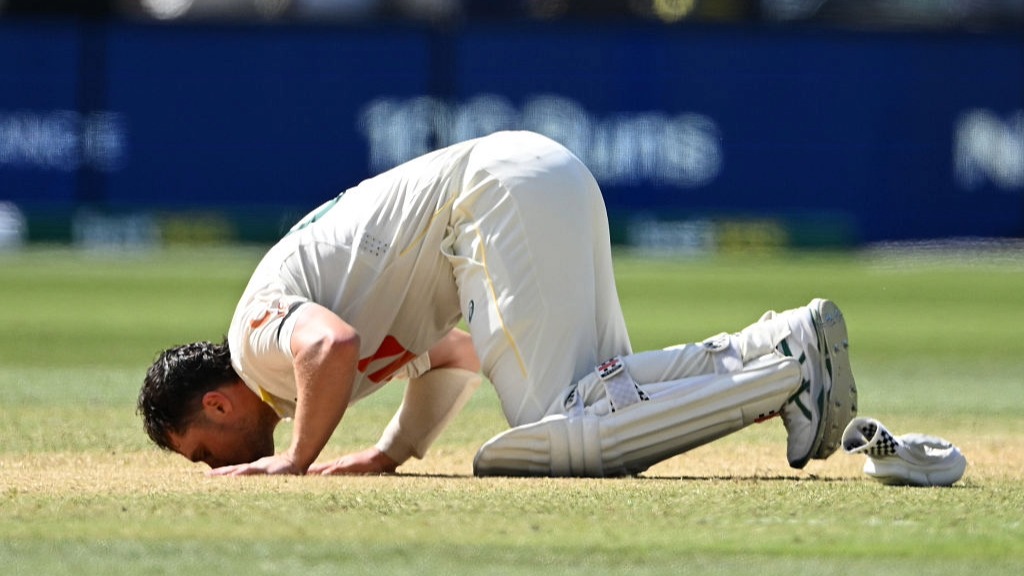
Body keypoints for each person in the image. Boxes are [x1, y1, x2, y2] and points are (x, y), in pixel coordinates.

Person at [138, 130, 857, 477]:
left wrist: (296, 460)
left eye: (203, 453)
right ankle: (781, 345)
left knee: (558, 437)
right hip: (544, 174)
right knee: (609, 400)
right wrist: (392, 451)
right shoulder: (287, 374)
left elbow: (329, 348)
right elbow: (453, 352)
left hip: (494, 197)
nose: (215, 468)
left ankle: (786, 376)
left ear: (219, 406)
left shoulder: (252, 346)